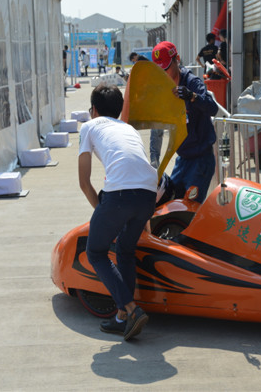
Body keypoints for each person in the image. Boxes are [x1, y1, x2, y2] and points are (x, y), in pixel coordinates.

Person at [78, 84, 157, 340]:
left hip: (120, 196)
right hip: (149, 194)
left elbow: (84, 182)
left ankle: (132, 309)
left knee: (95, 251)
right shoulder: (128, 128)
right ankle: (122, 317)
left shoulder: (89, 126)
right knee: (125, 249)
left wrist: (103, 214)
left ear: (94, 110)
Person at [153, 41, 218, 202]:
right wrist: (155, 162)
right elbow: (157, 126)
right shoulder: (163, 89)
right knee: (169, 203)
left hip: (200, 160)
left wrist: (192, 97)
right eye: (159, 70)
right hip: (182, 159)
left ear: (177, 59)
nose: (164, 74)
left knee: (189, 208)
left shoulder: (192, 83)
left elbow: (213, 108)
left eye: (166, 68)